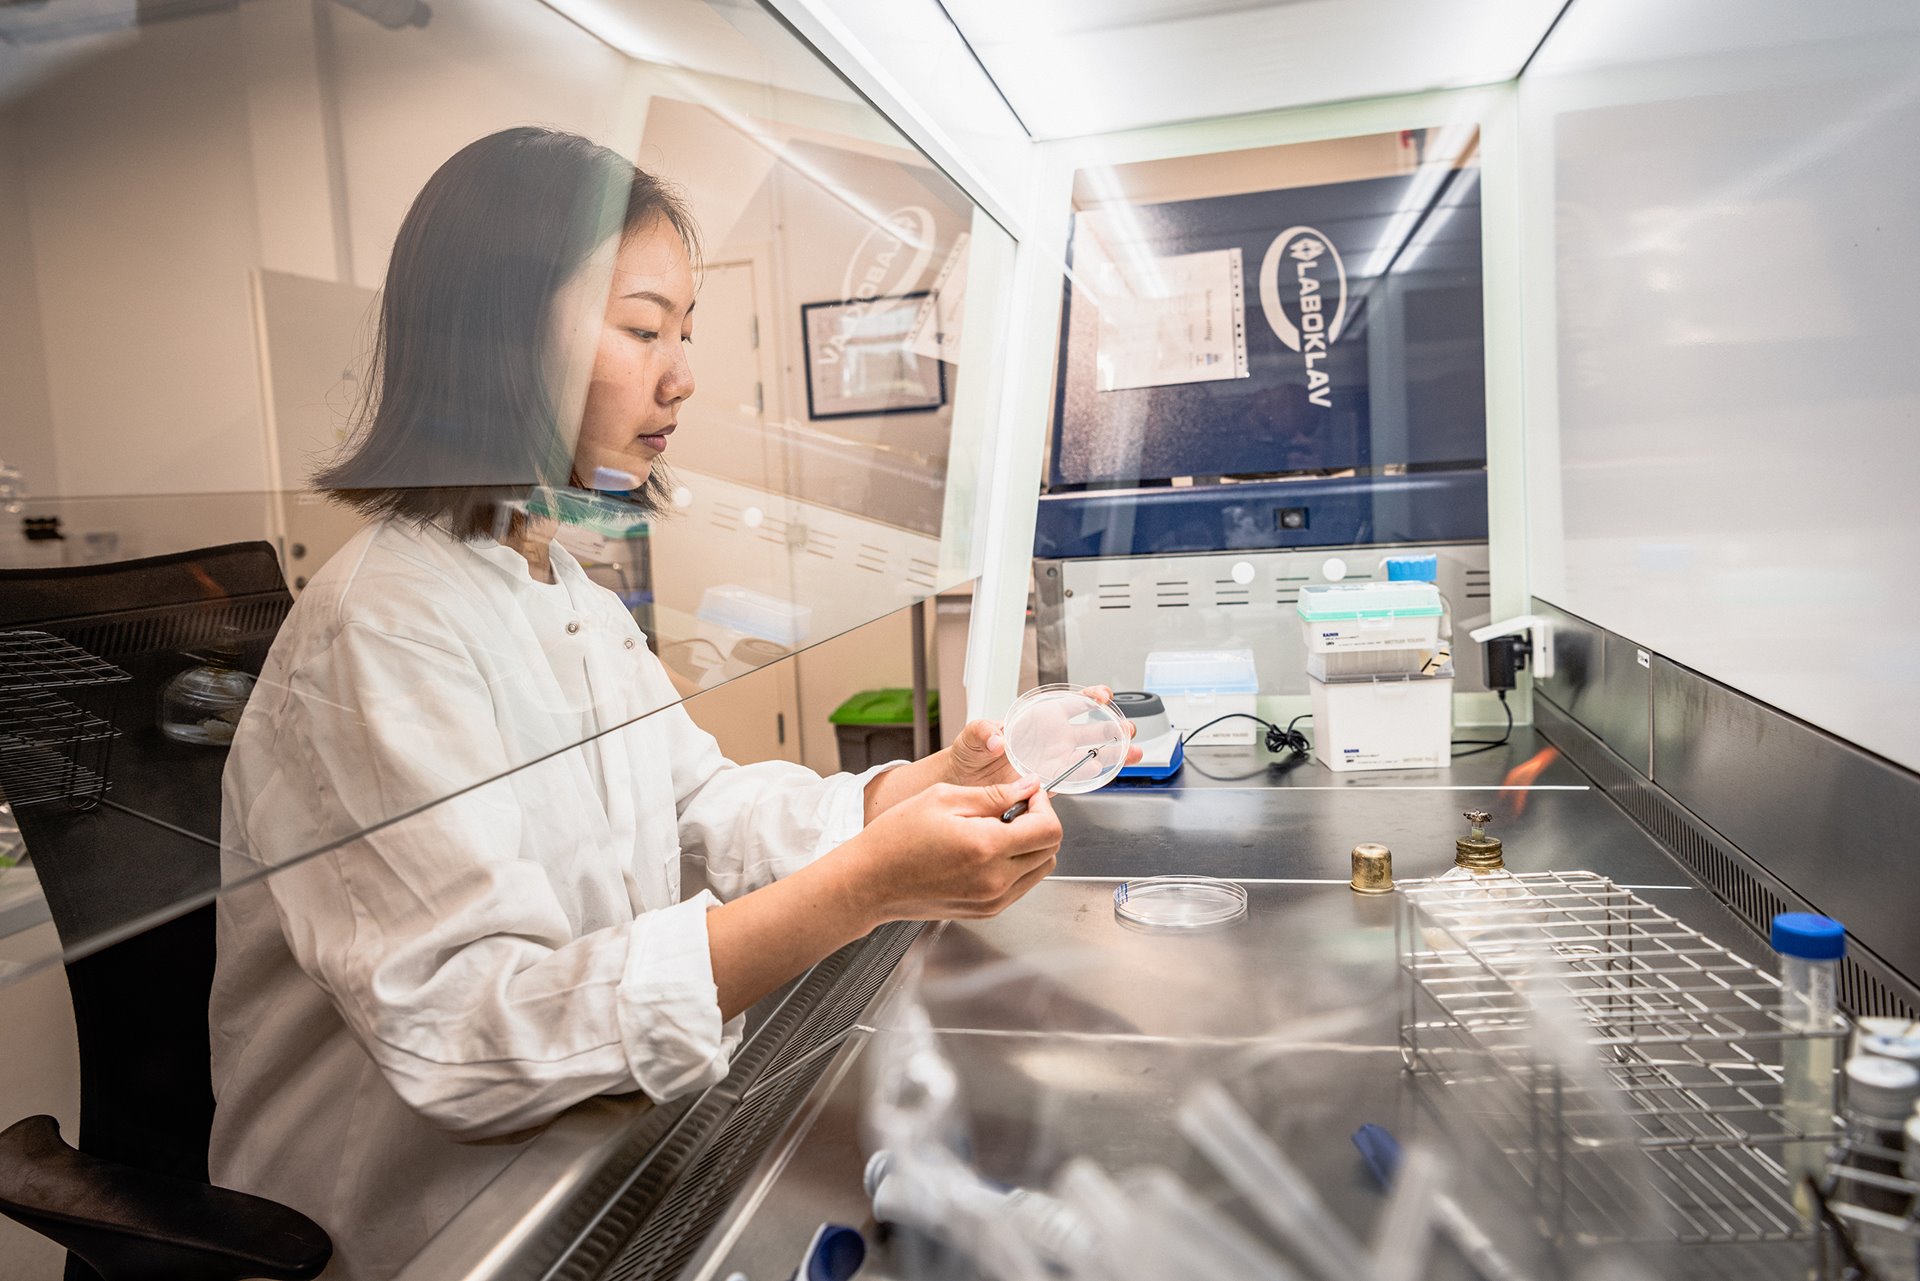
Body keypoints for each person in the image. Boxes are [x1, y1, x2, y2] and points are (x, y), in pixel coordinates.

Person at [208, 127, 1133, 1279]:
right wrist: (867, 885)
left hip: (594, 1167)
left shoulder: (561, 584)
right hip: (426, 1232)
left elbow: (705, 811)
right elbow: (473, 1034)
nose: (682, 373)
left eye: (684, 333)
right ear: (498, 337)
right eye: (644, 329)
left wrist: (928, 786)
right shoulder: (381, 627)